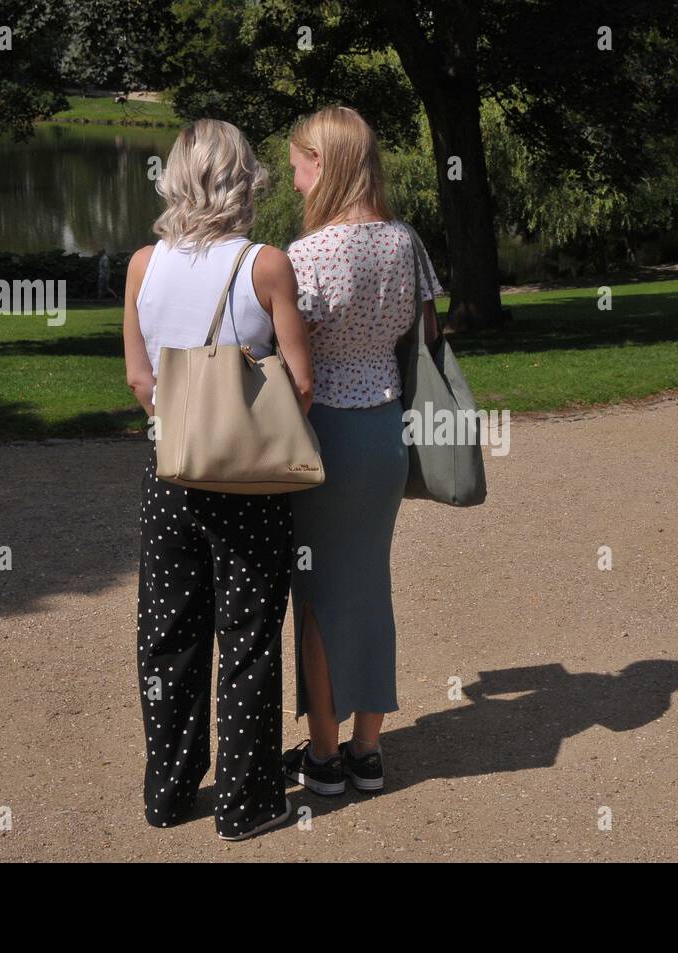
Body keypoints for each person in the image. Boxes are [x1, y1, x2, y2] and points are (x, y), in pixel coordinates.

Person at [122, 118, 314, 840]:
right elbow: (301, 383)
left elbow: (140, 377)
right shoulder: (266, 264)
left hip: (169, 472)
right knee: (250, 632)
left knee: (167, 636)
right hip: (249, 483)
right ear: (244, 179)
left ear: (176, 176)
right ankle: (245, 800)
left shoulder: (143, 264)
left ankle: (167, 794)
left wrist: (183, 424)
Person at [281, 106, 442, 796]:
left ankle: (323, 753)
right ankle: (368, 750)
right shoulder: (405, 241)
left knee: (317, 594)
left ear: (326, 163)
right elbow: (431, 328)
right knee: (371, 584)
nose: (292, 178)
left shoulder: (307, 254)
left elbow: (286, 354)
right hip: (385, 429)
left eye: (298, 163)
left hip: (325, 433)